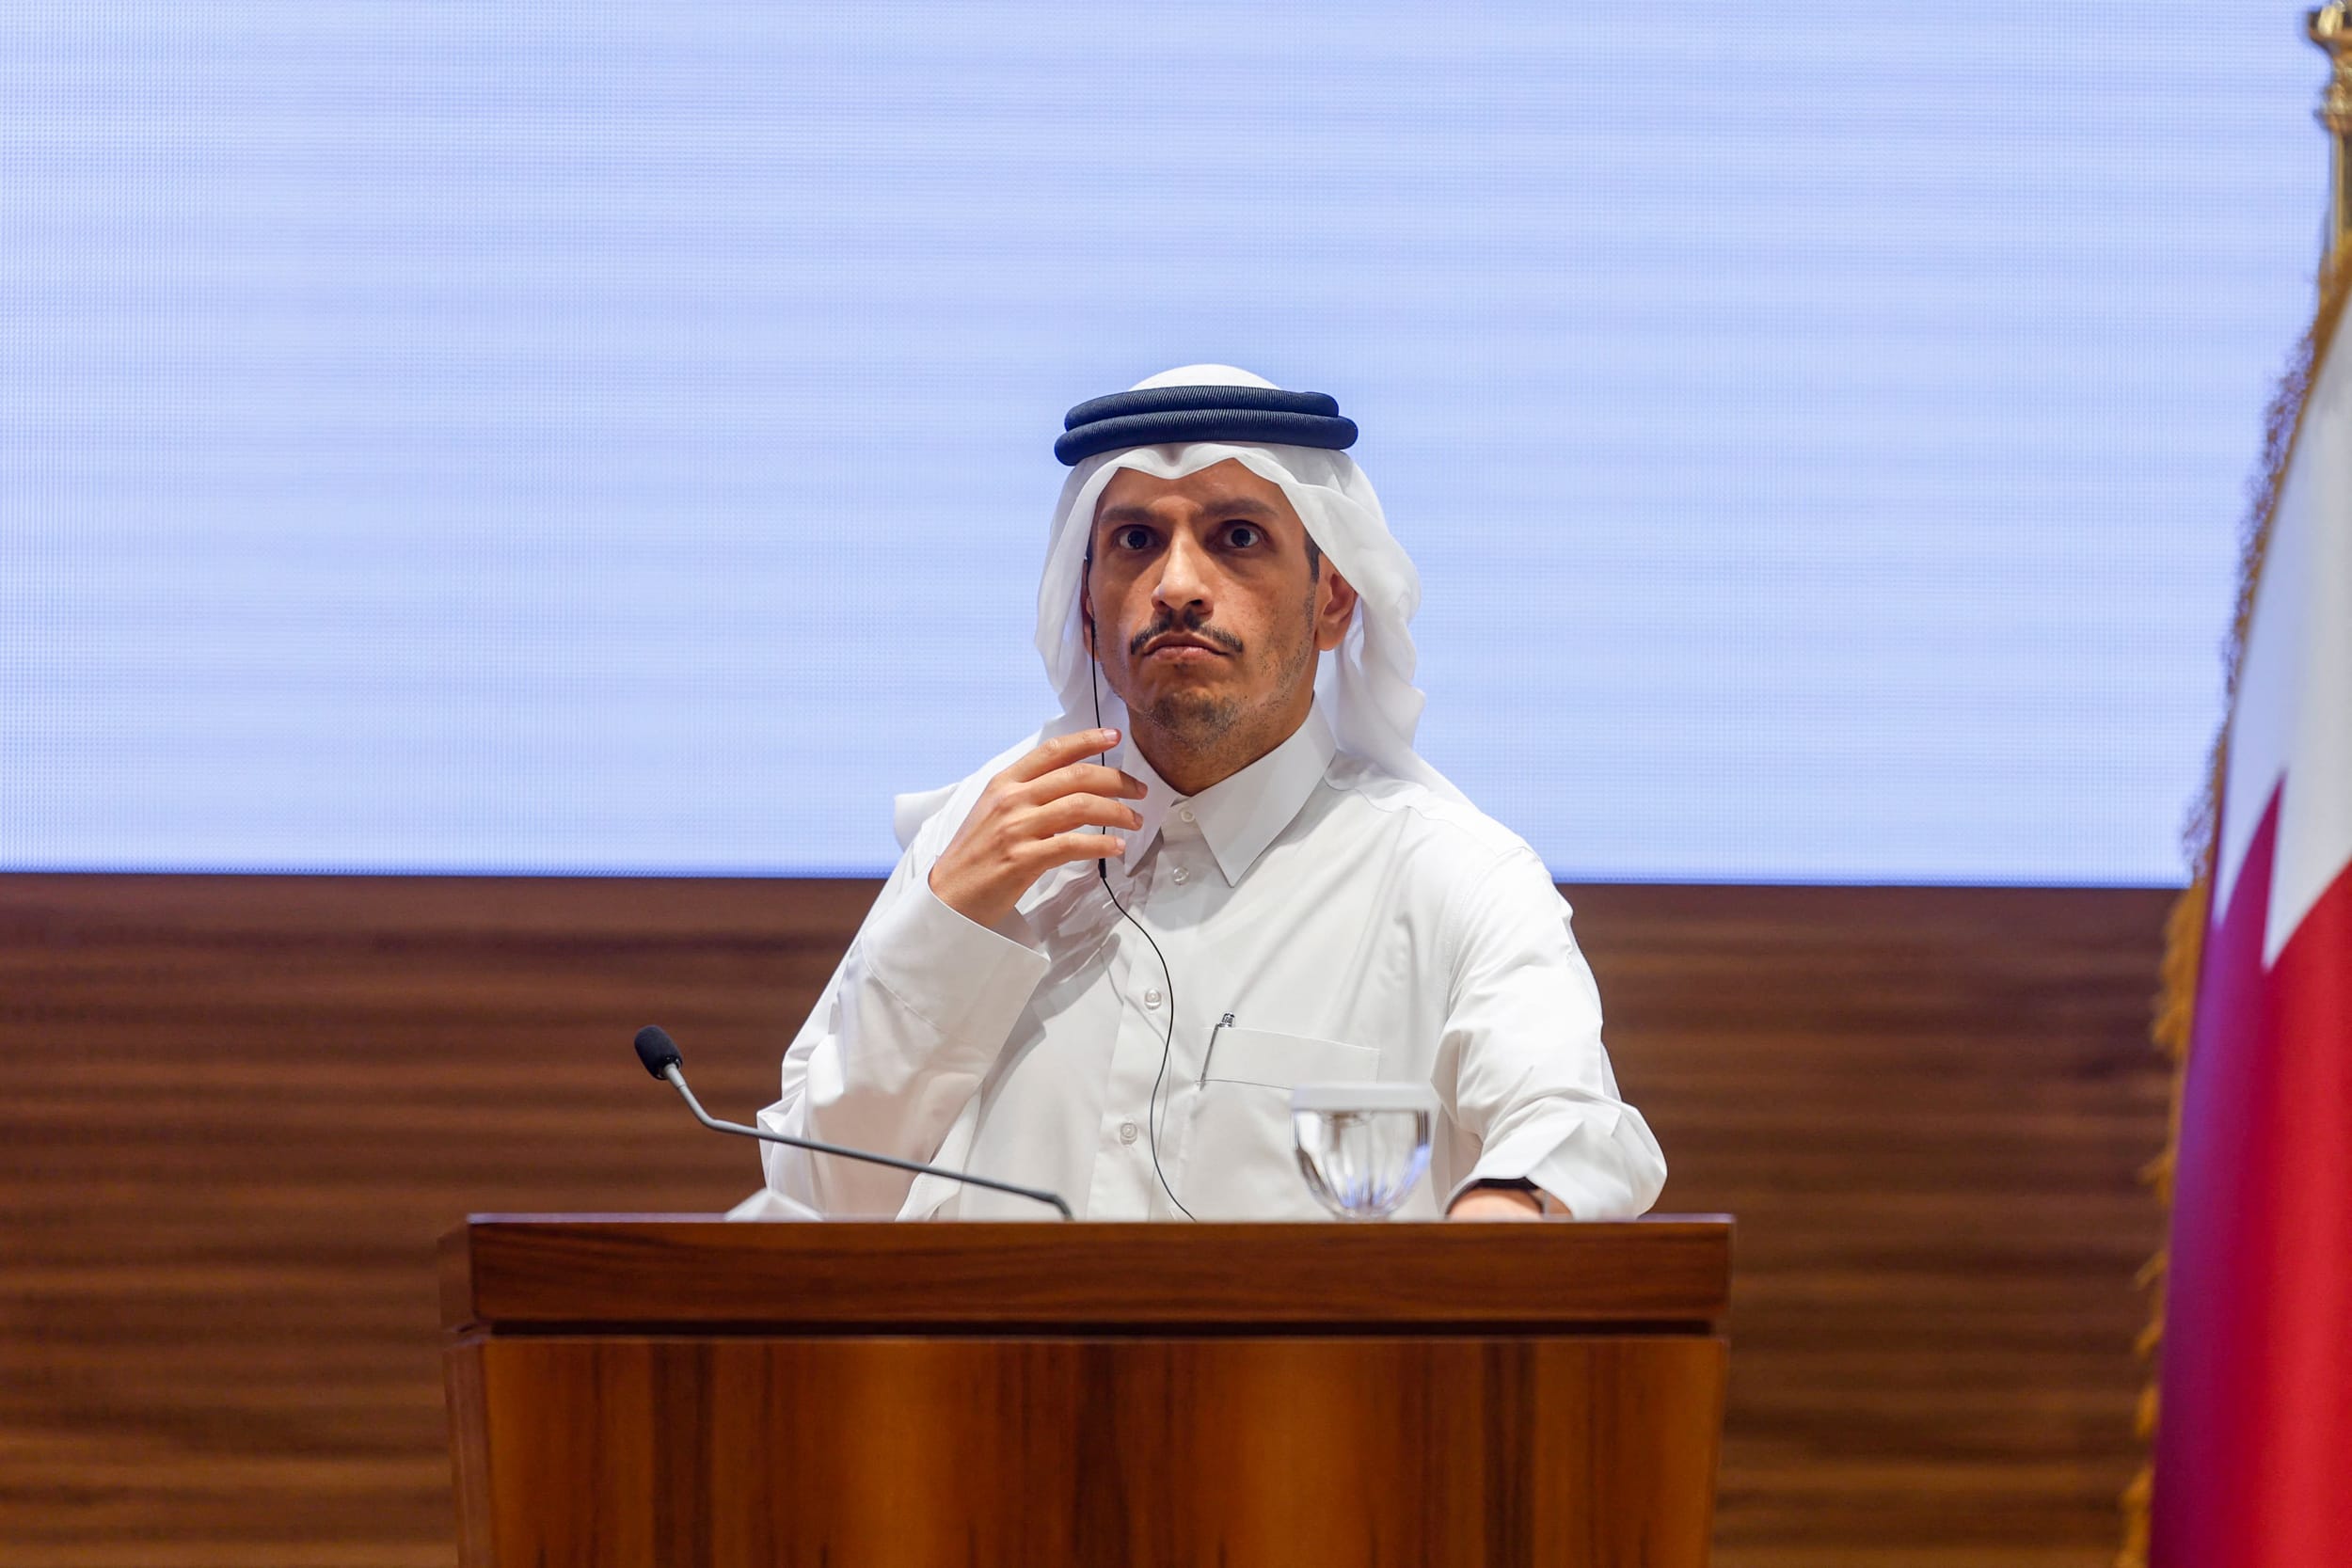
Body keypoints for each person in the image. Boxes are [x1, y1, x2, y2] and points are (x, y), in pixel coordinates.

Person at [742, 365, 1665, 1221]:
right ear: (1087, 604)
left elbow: (1572, 1133)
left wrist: (1504, 1216)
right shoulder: (980, 848)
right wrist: (949, 927)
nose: (1177, 584)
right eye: (1136, 540)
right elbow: (814, 1192)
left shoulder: (1454, 876)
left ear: (1332, 601)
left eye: (1237, 538)